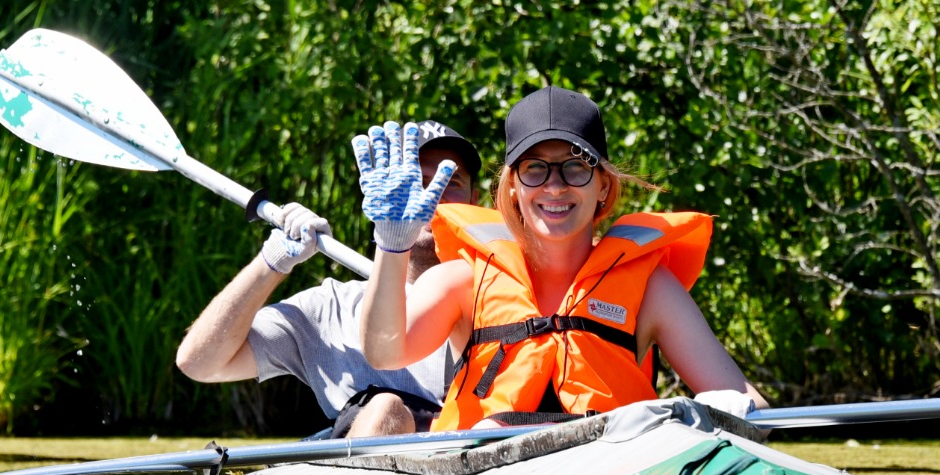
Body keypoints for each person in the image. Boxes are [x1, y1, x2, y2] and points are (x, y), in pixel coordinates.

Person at [354, 87, 767, 431]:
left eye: (575, 167)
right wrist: (392, 244)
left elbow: (746, 403)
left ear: (603, 186)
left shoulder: (650, 288)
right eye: (535, 169)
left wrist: (717, 416)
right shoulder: (463, 280)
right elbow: (384, 353)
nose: (555, 187)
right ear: (513, 187)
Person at [175, 121, 482, 437]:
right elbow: (199, 363)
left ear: (474, 202)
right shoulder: (329, 308)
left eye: (451, 182)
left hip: (475, 471)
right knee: (384, 408)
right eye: (414, 180)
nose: (431, 197)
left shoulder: (501, 296)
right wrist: (271, 262)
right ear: (383, 191)